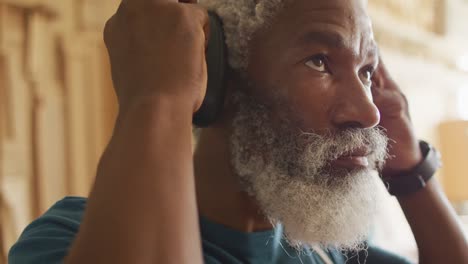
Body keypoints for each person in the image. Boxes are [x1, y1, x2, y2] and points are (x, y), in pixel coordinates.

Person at [8, 0, 468, 263]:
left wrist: (412, 171)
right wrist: (158, 99)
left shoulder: (327, 253)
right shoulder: (65, 237)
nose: (369, 112)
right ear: (217, 75)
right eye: (320, 61)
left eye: (367, 70)